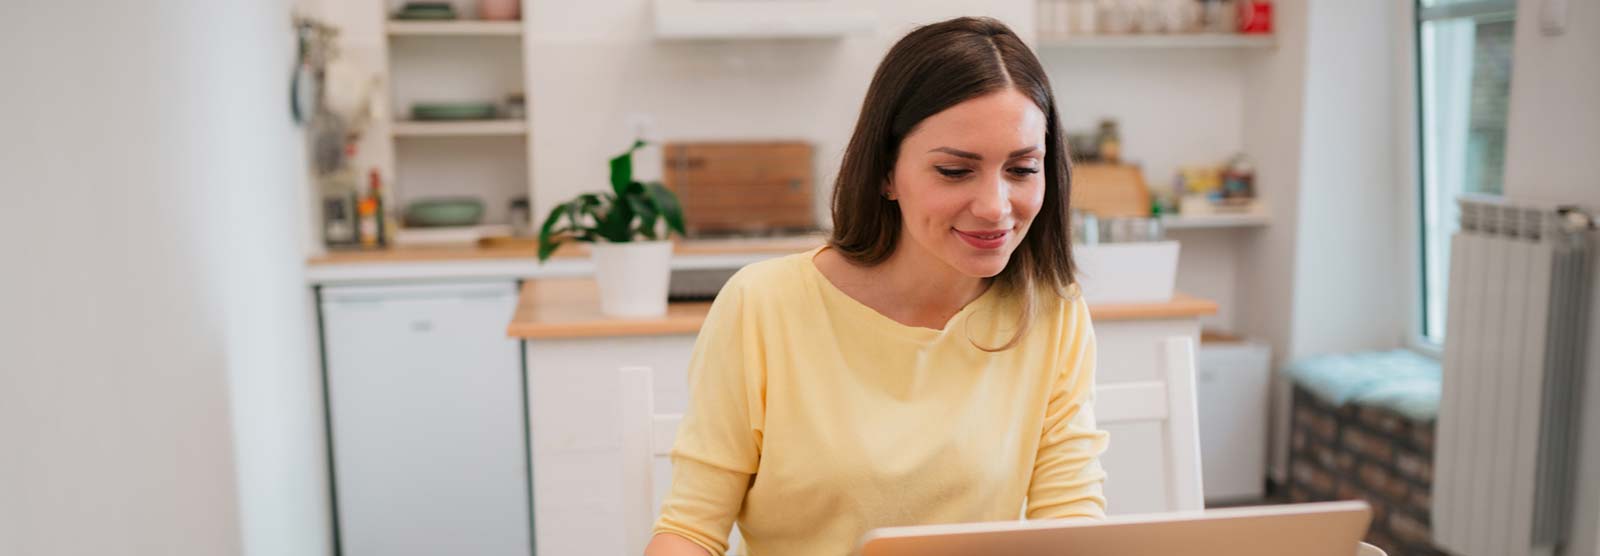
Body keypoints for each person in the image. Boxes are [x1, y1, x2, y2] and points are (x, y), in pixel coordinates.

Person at [645, 16, 1108, 556]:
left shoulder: (1051, 312)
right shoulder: (764, 305)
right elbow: (691, 531)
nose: (995, 207)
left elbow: (1071, 524)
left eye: (1022, 168)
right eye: (956, 172)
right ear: (886, 173)